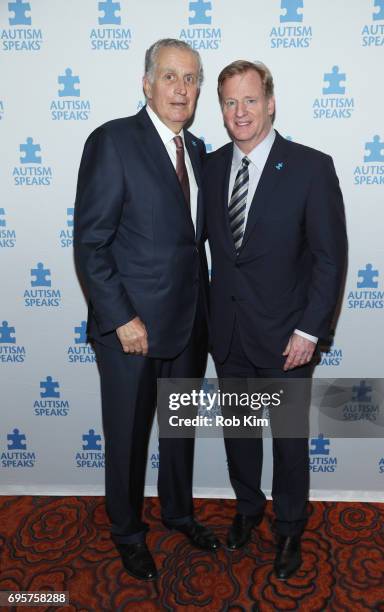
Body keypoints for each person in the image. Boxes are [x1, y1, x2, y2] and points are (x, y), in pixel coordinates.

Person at [74, 38, 220, 582]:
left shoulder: (201, 150)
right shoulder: (112, 141)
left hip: (189, 323)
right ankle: (128, 533)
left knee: (179, 429)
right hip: (131, 329)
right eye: (170, 77)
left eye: (192, 78)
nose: (182, 88)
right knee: (129, 437)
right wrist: (121, 318)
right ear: (146, 82)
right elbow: (91, 243)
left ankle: (178, 513)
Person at [203, 60, 347, 580]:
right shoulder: (212, 166)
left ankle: (290, 528)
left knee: (288, 442)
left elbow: (330, 258)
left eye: (249, 100)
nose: (240, 112)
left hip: (289, 337)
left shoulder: (311, 166)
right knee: (239, 434)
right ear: (220, 108)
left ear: (270, 103)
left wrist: (310, 331)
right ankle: (248, 508)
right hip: (230, 334)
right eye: (229, 102)